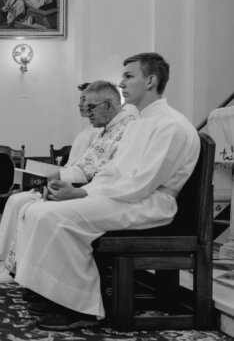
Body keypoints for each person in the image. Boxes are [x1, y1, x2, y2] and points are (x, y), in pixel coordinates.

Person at [11, 53, 200, 330]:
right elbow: (113, 172)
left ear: (150, 80)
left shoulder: (170, 125)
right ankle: (47, 291)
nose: (121, 83)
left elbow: (141, 183)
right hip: (124, 197)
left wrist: (83, 195)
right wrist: (78, 190)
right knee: (39, 209)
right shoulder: (139, 123)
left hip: (149, 203)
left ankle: (79, 307)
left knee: (52, 216)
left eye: (129, 76)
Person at [0, 80, 136, 282]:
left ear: (109, 104)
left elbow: (100, 173)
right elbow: (84, 166)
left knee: (33, 209)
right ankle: (17, 267)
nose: (86, 110)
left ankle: (35, 274)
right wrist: (58, 177)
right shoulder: (108, 128)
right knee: (26, 206)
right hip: (85, 188)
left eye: (90, 106)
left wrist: (64, 181)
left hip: (101, 196)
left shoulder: (128, 128)